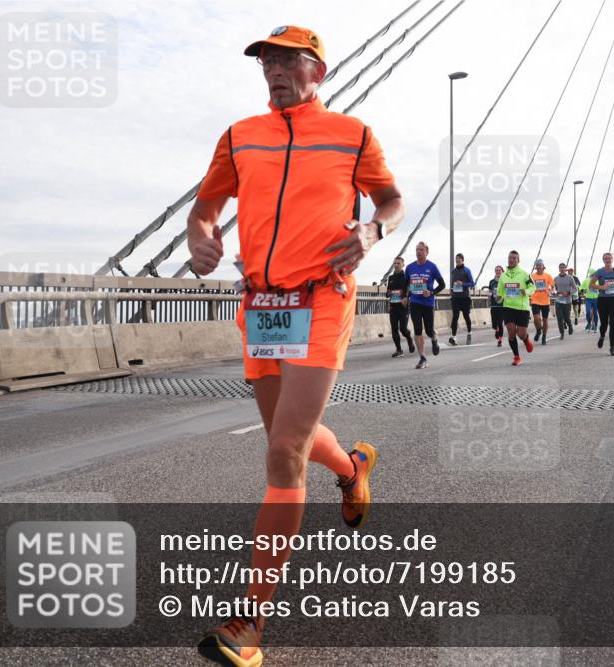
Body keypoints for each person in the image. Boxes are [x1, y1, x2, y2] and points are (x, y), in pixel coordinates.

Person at [187, 24, 404, 667]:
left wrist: (371, 231)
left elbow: (390, 200)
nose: (274, 71)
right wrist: (202, 236)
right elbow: (205, 207)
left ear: (319, 71)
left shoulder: (352, 134)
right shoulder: (239, 136)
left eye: (288, 61)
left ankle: (250, 623)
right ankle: (353, 468)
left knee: (283, 450)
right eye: (267, 62)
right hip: (262, 304)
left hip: (322, 296)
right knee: (294, 440)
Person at [406, 242, 445, 368]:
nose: (419, 252)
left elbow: (442, 285)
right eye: (417, 250)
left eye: (421, 250)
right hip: (415, 302)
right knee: (417, 330)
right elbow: (405, 284)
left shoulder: (432, 267)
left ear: (426, 252)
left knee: (429, 331)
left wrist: (432, 292)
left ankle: (434, 339)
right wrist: (405, 297)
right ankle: (422, 357)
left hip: (428, 303)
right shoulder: (410, 267)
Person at [497, 250, 536, 366]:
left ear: (518, 260)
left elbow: (532, 287)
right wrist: (497, 298)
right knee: (511, 331)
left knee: (521, 333)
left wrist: (526, 291)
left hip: (522, 308)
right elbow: (500, 292)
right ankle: (516, 357)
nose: (512, 259)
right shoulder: (503, 276)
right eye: (510, 257)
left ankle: (526, 339)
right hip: (508, 307)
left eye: (514, 258)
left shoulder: (524, 274)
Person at [589, 253, 614, 355]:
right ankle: (602, 336)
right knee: (604, 324)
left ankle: (612, 347)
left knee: (613, 324)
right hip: (602, 300)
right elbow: (591, 284)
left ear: (612, 259)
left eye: (609, 258)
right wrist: (601, 287)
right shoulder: (600, 272)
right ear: (603, 260)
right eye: (606, 259)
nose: (608, 260)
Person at [385, 256, 414, 357]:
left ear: (403, 265)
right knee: (394, 329)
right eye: (395, 263)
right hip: (393, 306)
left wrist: (406, 297)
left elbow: (410, 290)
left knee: (403, 329)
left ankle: (409, 338)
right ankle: (399, 350)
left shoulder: (406, 277)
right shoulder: (391, 278)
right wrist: (388, 294)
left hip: (403, 307)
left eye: (398, 263)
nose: (396, 265)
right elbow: (388, 292)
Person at [448, 252, 475, 346]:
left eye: (459, 259)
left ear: (462, 260)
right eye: (456, 259)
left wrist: (462, 284)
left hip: (465, 297)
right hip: (455, 297)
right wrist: (451, 290)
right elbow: (452, 283)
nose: (457, 260)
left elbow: (472, 284)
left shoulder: (467, 270)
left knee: (466, 316)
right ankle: (454, 337)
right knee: (455, 316)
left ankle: (469, 333)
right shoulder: (453, 271)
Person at [553, 262, 579, 338]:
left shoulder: (570, 278)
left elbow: (575, 289)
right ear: (559, 269)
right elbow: (553, 289)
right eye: (560, 267)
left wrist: (568, 293)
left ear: (565, 269)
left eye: (563, 267)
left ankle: (570, 325)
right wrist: (554, 292)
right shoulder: (555, 278)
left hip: (567, 301)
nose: (562, 269)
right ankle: (562, 333)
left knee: (566, 317)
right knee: (559, 318)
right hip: (558, 301)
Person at [530, 258, 552, 345]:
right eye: (537, 265)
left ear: (543, 266)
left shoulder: (548, 276)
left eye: (540, 265)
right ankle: (538, 330)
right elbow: (528, 286)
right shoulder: (532, 276)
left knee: (545, 320)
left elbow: (553, 286)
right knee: (536, 318)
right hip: (535, 300)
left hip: (545, 300)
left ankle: (544, 336)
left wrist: (552, 291)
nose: (539, 267)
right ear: (536, 267)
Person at [484, 265, 505, 347]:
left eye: (499, 270)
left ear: (502, 271)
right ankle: (496, 330)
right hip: (493, 305)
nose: (498, 271)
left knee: (500, 322)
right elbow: (489, 292)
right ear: (495, 271)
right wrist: (491, 294)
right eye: (496, 270)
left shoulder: (504, 281)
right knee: (494, 324)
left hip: (502, 305)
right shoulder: (491, 282)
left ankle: (500, 340)